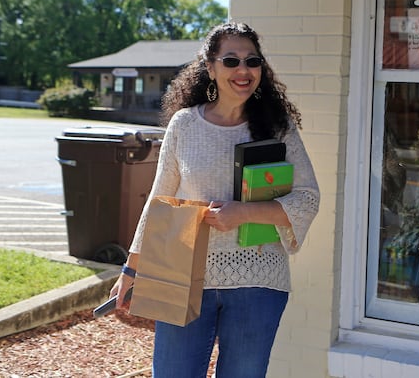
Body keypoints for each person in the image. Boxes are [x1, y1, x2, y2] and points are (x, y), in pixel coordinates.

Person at [109, 22, 320, 377]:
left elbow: (307, 198)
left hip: (258, 278)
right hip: (183, 274)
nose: (243, 70)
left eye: (253, 62)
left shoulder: (278, 128)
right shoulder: (184, 125)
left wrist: (244, 213)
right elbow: (159, 201)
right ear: (210, 67)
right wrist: (131, 268)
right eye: (231, 60)